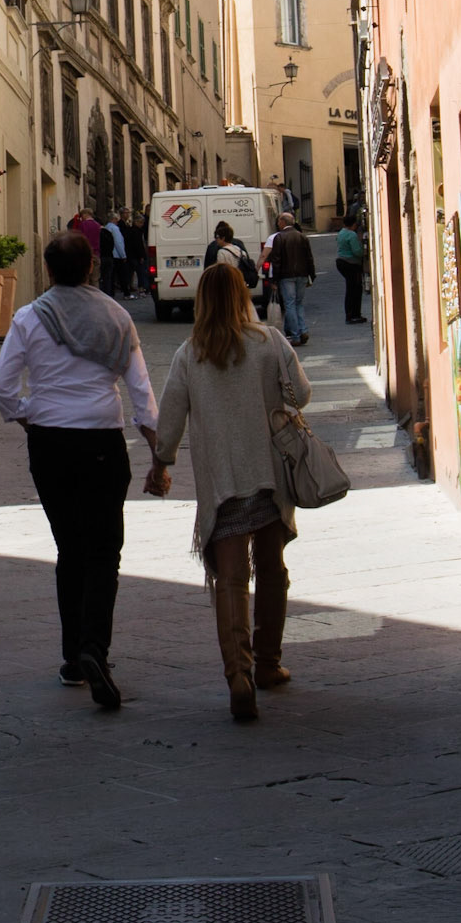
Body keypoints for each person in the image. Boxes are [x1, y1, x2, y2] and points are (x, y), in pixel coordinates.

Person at [0, 228, 159, 712]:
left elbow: (2, 388)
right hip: (102, 439)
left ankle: (72, 658)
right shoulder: (117, 316)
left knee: (70, 548)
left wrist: (30, 415)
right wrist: (158, 453)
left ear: (47, 270)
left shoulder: (29, 317)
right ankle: (94, 649)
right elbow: (141, 391)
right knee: (104, 551)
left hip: (50, 442)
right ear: (91, 266)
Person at [145, 263, 312, 721]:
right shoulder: (270, 342)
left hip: (222, 482)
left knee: (232, 580)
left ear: (201, 301)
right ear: (243, 295)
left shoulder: (189, 354)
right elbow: (301, 394)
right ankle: (269, 663)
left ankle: (239, 675)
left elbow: (171, 418)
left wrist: (161, 464)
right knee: (272, 570)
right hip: (269, 474)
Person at [269, 213, 316, 346]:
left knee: (289, 304)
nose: (278, 223)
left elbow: (276, 260)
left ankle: (296, 335)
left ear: (283, 222)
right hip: (302, 274)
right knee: (299, 303)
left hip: (286, 275)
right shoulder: (302, 236)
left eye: (279, 221)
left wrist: (274, 280)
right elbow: (309, 257)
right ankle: (303, 330)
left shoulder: (279, 238)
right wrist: (311, 275)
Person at [336, 215, 367, 324]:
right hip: (351, 263)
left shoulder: (341, 233)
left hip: (341, 261)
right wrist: (364, 252)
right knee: (355, 289)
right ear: (353, 224)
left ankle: (349, 314)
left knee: (350, 288)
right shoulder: (352, 235)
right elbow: (357, 251)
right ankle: (354, 314)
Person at [123, 209, 148, 296]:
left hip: (129, 255)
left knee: (130, 273)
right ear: (136, 222)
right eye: (141, 223)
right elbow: (139, 245)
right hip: (136, 256)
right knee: (140, 273)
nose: (142, 224)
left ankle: (127, 289)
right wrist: (141, 256)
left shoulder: (129, 230)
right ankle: (141, 289)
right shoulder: (137, 232)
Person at [104, 212, 129, 297]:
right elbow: (118, 242)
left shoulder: (106, 227)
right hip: (117, 255)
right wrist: (123, 255)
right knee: (122, 274)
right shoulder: (115, 228)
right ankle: (126, 293)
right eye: (116, 219)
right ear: (114, 219)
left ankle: (110, 293)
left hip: (109, 254)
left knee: (110, 276)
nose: (117, 221)